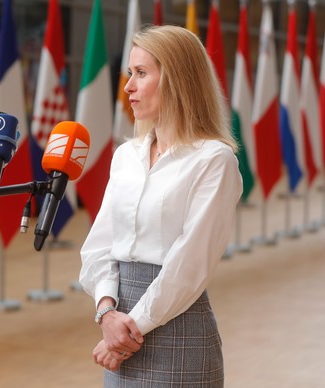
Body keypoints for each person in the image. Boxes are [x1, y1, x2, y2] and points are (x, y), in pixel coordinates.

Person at [79, 24, 242, 387]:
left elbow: (190, 264)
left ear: (177, 79)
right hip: (117, 321)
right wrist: (107, 313)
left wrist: (127, 333)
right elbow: (99, 246)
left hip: (176, 328)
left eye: (141, 73)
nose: (128, 87)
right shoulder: (126, 156)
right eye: (128, 74)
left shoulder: (214, 161)